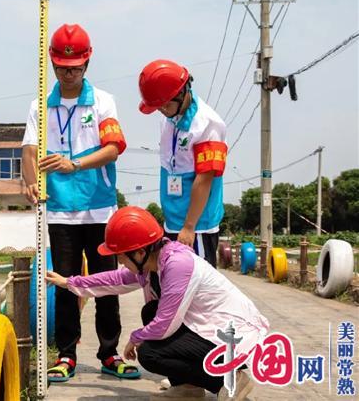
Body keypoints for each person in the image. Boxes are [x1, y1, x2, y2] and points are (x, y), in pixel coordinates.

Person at [46, 206, 269, 400]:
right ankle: (188, 387)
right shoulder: (154, 263)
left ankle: (229, 381)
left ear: (140, 252)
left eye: (122, 256)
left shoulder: (177, 264)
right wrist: (68, 282)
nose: (120, 261)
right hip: (211, 330)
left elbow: (166, 323)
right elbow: (114, 279)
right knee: (150, 311)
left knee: (149, 353)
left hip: (232, 334)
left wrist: (136, 338)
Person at [21, 23, 137, 382]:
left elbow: (114, 148)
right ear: (52, 64)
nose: (69, 74)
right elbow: (28, 149)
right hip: (59, 210)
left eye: (75, 68)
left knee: (106, 283)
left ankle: (109, 353)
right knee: (66, 283)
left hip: (100, 206)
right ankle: (66, 355)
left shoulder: (102, 101)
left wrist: (75, 164)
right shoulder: (41, 104)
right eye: (61, 67)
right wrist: (29, 182)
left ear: (87, 64)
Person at [138, 59, 228, 268]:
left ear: (181, 93)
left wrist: (189, 227)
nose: (160, 110)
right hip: (173, 220)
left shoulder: (208, 125)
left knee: (198, 288)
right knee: (174, 284)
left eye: (164, 105)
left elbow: (204, 180)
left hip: (196, 227)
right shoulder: (170, 117)